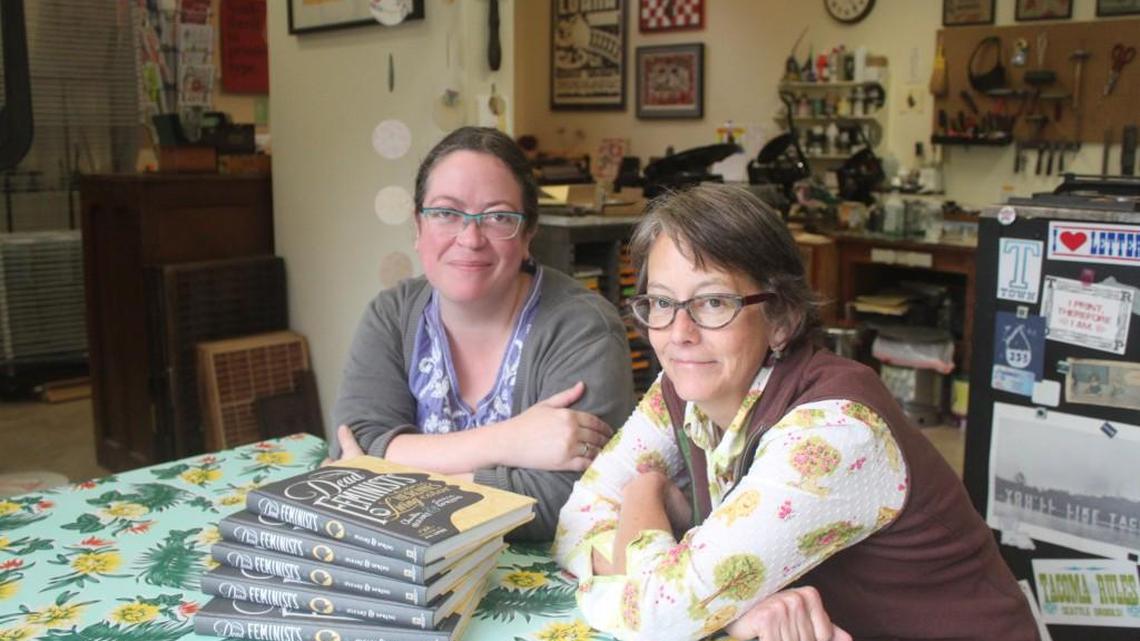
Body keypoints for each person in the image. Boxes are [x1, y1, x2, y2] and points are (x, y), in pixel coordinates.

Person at [553, 184, 1037, 641]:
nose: (679, 333)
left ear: (781, 318)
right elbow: (575, 523)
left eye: (714, 302)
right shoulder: (682, 387)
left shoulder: (834, 434)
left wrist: (643, 493)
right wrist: (730, 610)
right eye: (662, 302)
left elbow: (660, 617)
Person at [330, 126, 634, 541]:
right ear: (418, 226)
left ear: (528, 235)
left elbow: (571, 498)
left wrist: (383, 481)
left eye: (498, 217)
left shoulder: (585, 329)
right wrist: (508, 441)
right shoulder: (391, 315)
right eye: (446, 213)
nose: (470, 238)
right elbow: (354, 444)